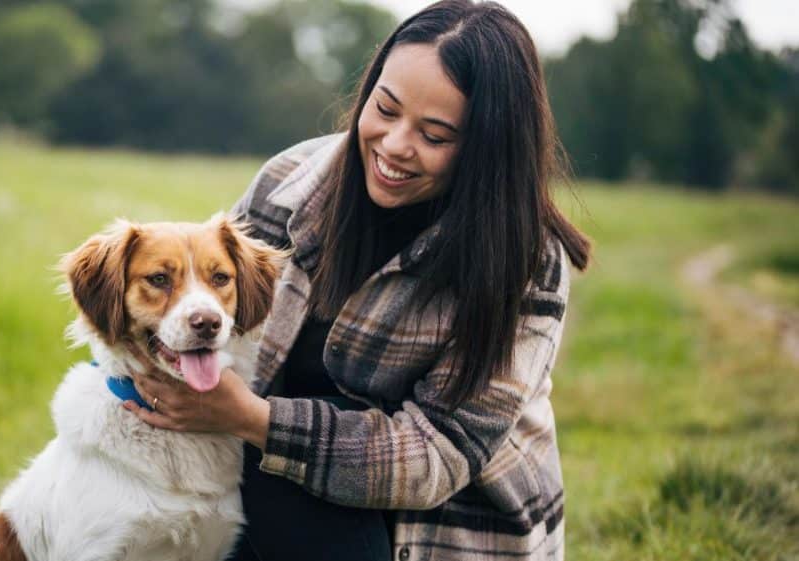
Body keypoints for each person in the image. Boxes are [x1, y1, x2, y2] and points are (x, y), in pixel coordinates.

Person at [122, 1, 591, 560]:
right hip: (271, 485)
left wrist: (252, 418)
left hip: (440, 528)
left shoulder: (526, 262)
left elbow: (436, 457)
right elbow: (198, 327)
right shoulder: (287, 184)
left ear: (487, 148)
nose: (394, 145)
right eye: (385, 108)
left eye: (435, 135)